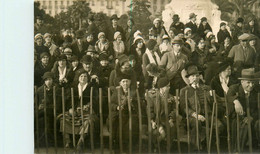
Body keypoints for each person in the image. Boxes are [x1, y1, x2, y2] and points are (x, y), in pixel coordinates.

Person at [180, 64, 223, 150]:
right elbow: (184, 107)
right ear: (188, 78)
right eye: (192, 76)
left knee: (219, 126)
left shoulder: (206, 88)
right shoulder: (185, 91)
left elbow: (217, 100)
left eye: (196, 76)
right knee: (197, 124)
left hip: (208, 115)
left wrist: (211, 96)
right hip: (193, 117)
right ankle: (194, 148)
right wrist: (196, 115)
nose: (195, 78)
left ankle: (208, 144)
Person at [59, 70, 99, 149]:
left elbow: (95, 100)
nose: (83, 78)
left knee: (88, 121)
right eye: (81, 76)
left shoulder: (92, 87)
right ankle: (67, 141)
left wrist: (88, 105)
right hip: (74, 111)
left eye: (85, 76)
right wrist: (70, 108)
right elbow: (68, 99)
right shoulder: (73, 87)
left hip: (86, 111)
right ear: (78, 78)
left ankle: (81, 141)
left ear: (88, 78)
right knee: (63, 119)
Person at [226, 68, 260, 151]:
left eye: (252, 82)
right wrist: (236, 101)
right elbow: (229, 95)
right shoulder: (235, 88)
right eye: (248, 82)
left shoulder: (256, 91)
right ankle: (238, 150)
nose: (251, 85)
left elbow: (258, 109)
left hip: (252, 117)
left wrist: (252, 117)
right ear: (242, 82)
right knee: (243, 125)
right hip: (238, 118)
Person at [109, 72, 139, 151]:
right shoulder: (117, 91)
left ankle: (128, 146)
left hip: (130, 114)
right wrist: (117, 107)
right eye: (123, 81)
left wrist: (132, 102)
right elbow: (111, 104)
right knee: (116, 122)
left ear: (130, 82)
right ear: (120, 83)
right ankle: (117, 145)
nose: (125, 83)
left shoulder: (134, 92)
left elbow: (140, 106)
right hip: (118, 113)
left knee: (131, 124)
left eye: (127, 81)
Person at [36, 72, 61, 147]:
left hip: (53, 111)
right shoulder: (40, 90)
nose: (48, 82)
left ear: (53, 80)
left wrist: (47, 106)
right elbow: (36, 102)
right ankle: (42, 141)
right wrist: (38, 106)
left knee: (46, 118)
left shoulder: (57, 89)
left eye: (50, 79)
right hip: (42, 111)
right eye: (46, 80)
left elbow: (58, 105)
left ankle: (48, 141)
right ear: (44, 81)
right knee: (42, 119)